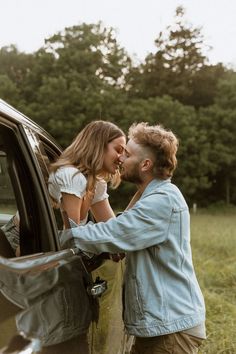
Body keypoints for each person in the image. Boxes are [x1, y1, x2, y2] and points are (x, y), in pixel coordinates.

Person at [60, 122, 206, 354]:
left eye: (126, 154)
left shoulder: (162, 201)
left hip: (169, 331)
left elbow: (113, 233)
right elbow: (120, 229)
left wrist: (61, 238)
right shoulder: (150, 197)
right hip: (161, 327)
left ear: (145, 164)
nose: (120, 159)